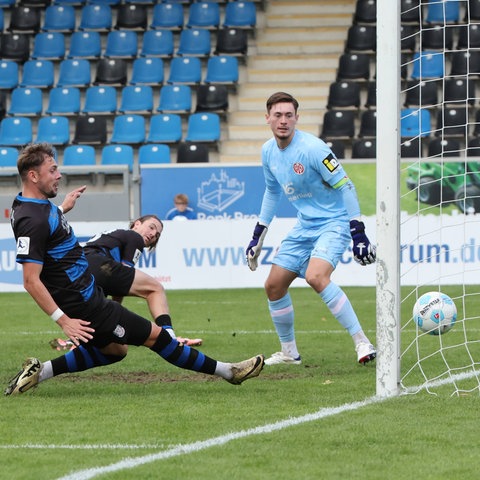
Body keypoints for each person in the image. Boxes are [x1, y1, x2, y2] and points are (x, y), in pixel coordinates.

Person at [5, 143, 264, 396]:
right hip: (85, 304)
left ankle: (39, 373)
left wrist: (63, 209)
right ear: (33, 175)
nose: (59, 174)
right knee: (157, 337)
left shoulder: (34, 206)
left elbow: (47, 231)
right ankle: (230, 372)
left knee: (116, 351)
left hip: (88, 292)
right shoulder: (33, 219)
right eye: (52, 170)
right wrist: (64, 321)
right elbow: (30, 280)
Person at [245, 92, 376, 366]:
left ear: (297, 118)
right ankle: (289, 352)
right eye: (278, 115)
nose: (283, 121)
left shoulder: (314, 149)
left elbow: (346, 185)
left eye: (289, 115)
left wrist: (358, 231)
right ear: (267, 118)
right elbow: (271, 191)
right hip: (305, 225)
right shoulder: (268, 151)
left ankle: (361, 341)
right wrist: (258, 235)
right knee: (273, 285)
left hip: (333, 223)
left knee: (317, 277)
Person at [49, 214, 202, 350]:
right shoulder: (134, 237)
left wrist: (115, 313)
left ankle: (75, 342)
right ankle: (170, 337)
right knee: (155, 289)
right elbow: (124, 274)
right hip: (98, 263)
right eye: (151, 227)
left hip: (79, 270)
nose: (153, 234)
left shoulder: (117, 236)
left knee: (99, 315)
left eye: (157, 235)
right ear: (137, 224)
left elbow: (118, 284)